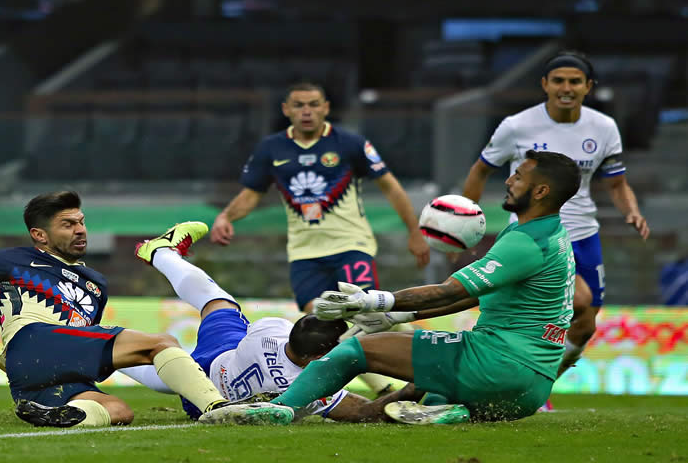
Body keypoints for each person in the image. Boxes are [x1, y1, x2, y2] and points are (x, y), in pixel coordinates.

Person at [202, 150, 582, 425]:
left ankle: (278, 409)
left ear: (541, 191)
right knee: (425, 387)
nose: (511, 179)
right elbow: (470, 295)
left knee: (354, 349)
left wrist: (372, 301)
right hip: (531, 387)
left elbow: (451, 291)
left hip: (499, 364)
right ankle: (457, 409)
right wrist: (394, 314)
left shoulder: (524, 242)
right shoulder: (549, 234)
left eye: (520, 176)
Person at [0, 191, 291, 427]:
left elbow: (82, 333)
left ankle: (54, 414)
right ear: (40, 235)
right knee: (159, 343)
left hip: (46, 372)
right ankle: (217, 408)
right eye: (68, 224)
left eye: (82, 221)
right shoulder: (11, 260)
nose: (81, 230)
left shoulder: (96, 281)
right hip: (32, 342)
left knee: (119, 412)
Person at [460, 50, 650, 382]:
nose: (567, 87)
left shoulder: (603, 127)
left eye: (575, 81)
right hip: (532, 233)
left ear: (588, 86)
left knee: (586, 321)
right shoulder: (516, 126)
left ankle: (543, 383)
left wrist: (631, 211)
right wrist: (465, 223)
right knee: (578, 300)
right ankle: (499, 371)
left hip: (583, 234)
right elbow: (479, 171)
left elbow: (617, 183)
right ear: (544, 84)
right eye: (559, 80)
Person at [121, 227, 418, 422]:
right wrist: (409, 393)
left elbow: (308, 330)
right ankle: (97, 344)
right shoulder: (308, 385)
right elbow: (363, 411)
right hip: (204, 400)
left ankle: (160, 252)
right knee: (157, 374)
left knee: (215, 300)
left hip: (222, 357)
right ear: (317, 358)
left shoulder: (269, 330)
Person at [211, 82, 430, 313]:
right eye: (299, 105)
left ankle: (381, 343)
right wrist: (226, 217)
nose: (307, 111)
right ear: (286, 110)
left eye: (314, 104)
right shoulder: (271, 148)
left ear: (325, 108)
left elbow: (390, 187)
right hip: (304, 252)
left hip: (351, 245)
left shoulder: (350, 143)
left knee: (363, 312)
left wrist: (414, 231)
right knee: (317, 317)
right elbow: (250, 195)